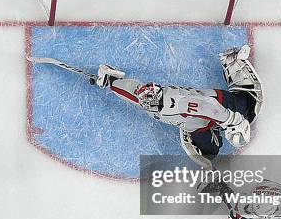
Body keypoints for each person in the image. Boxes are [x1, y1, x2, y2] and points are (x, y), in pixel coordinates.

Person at [95, 44, 263, 169]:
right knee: (210, 152)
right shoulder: (156, 105)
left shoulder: (164, 104)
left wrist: (231, 119)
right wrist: (230, 120)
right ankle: (231, 63)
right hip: (200, 122)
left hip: (211, 111)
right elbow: (132, 94)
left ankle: (231, 61)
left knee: (244, 108)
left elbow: (207, 105)